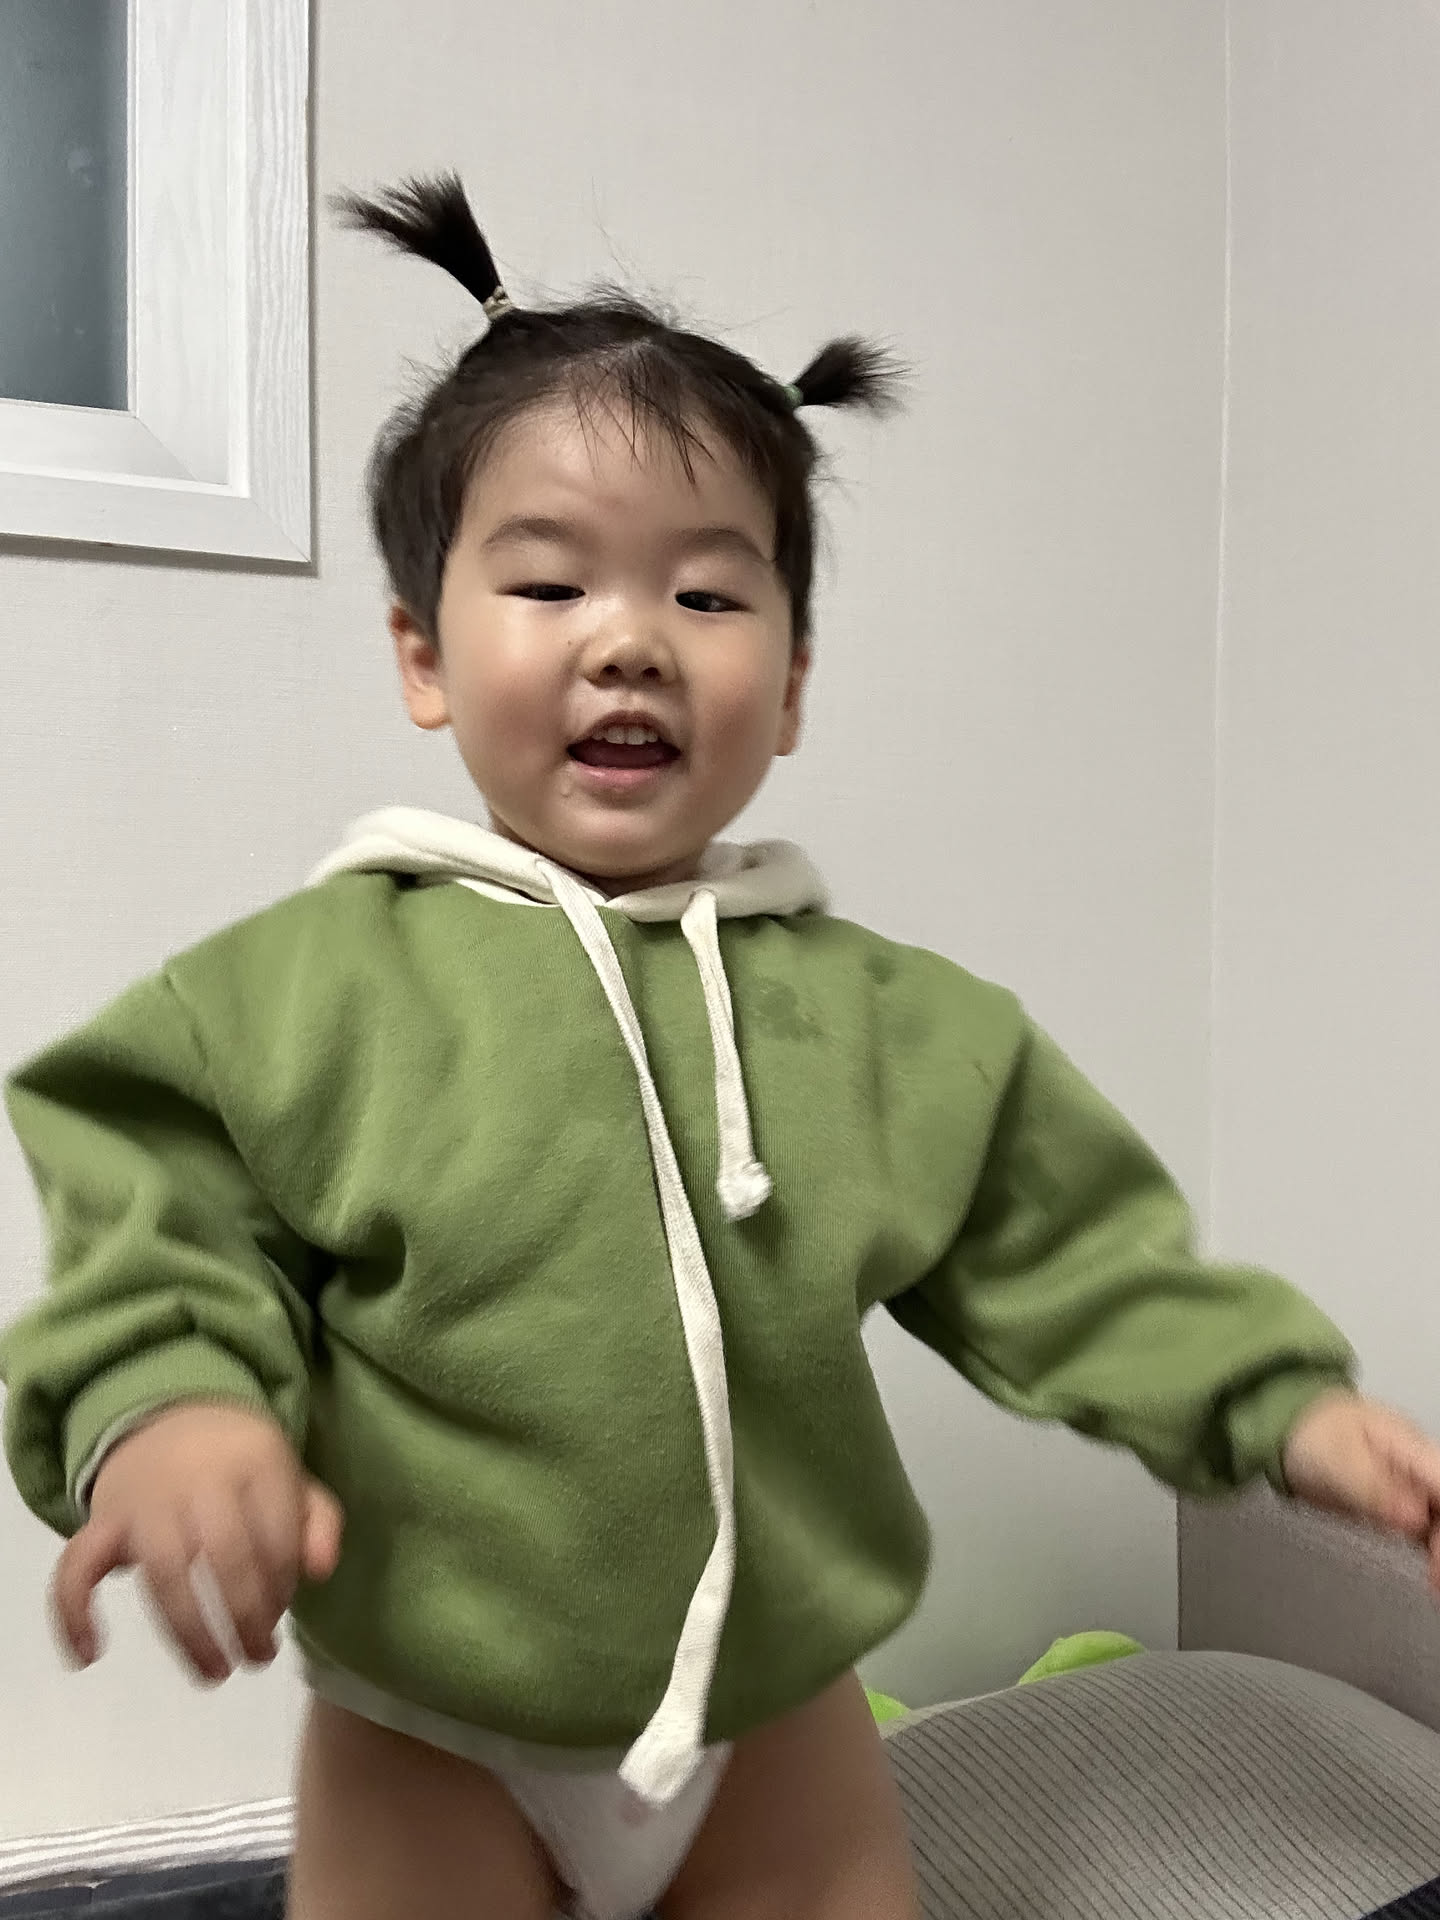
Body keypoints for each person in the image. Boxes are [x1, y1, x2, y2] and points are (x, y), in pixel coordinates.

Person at [2, 174, 1437, 1920]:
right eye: (549, 583)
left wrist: (1286, 1411)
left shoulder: (894, 1028)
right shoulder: (301, 996)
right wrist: (172, 1410)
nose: (629, 642)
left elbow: (1076, 1264)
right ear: (423, 656)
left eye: (706, 597)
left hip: (777, 1719)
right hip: (429, 1722)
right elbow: (160, 1226)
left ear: (796, 682)